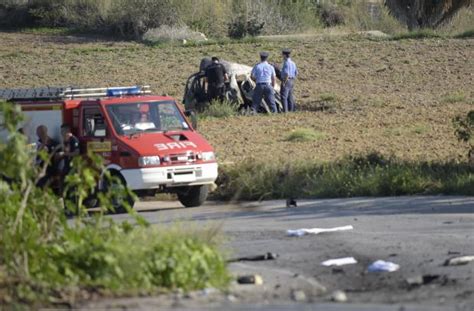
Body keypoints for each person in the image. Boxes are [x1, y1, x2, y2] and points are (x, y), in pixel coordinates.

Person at [280, 48, 298, 112]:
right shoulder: (293, 63)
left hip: (286, 80)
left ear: (284, 55)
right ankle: (292, 110)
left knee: (284, 97)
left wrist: (284, 82)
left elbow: (286, 73)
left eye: (282, 54)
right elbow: (296, 73)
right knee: (290, 96)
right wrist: (292, 79)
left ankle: (285, 111)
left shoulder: (286, 63)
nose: (282, 56)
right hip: (291, 80)